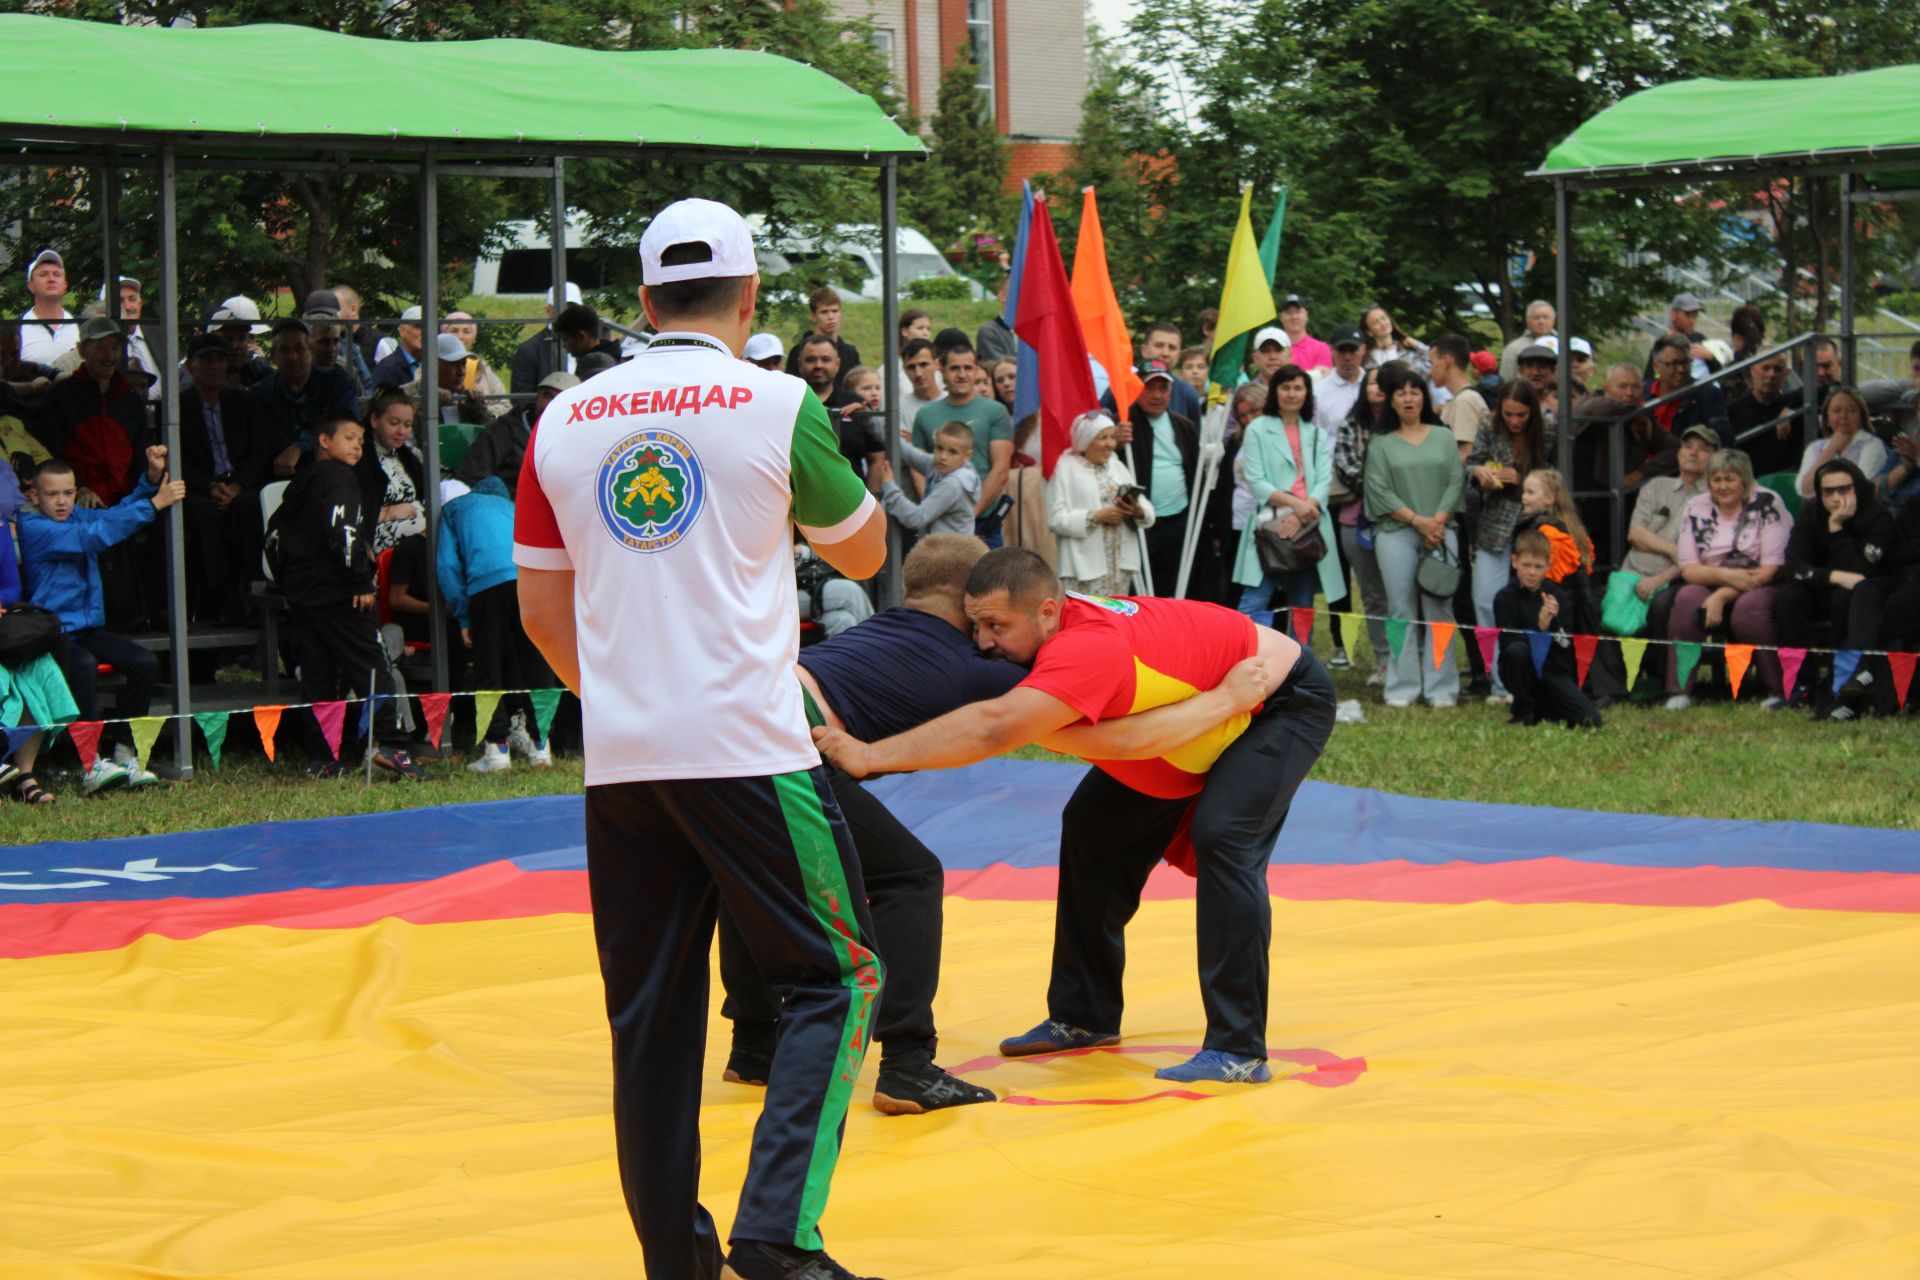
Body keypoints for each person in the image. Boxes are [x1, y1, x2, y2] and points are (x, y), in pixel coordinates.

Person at [511, 197, 889, 1280]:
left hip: (624, 756)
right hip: (748, 746)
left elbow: (543, 614)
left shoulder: (566, 418)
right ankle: (778, 1231)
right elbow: (862, 556)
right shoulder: (777, 402)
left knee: (652, 1017)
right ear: (751, 295)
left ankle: (676, 1260)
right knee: (842, 974)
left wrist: (629, 697)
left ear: (641, 301)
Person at [812, 546, 1335, 1087]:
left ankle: (1239, 1047)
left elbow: (1112, 739)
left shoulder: (1085, 650)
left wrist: (870, 755)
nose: (984, 641)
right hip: (1202, 711)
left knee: (1224, 837)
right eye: (975, 625)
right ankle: (1084, 1014)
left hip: (1274, 699)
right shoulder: (1038, 633)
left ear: (1045, 612)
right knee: (1093, 826)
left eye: (996, 625)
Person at [716, 534, 1021, 1113]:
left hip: (733, 725)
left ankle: (754, 1045)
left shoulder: (877, 630)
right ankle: (909, 1064)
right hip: (787, 742)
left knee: (749, 870)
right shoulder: (968, 666)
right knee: (909, 876)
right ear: (974, 600)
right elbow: (1063, 700)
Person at [268, 411, 425, 780]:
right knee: (373, 666)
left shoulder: (299, 484)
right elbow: (344, 529)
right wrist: (358, 580)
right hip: (342, 593)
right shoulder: (339, 478)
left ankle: (321, 758)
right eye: (349, 438)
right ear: (324, 441)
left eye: (360, 440)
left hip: (306, 597)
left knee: (318, 676)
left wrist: (291, 584)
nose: (357, 445)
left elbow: (272, 538)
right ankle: (390, 743)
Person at [19, 451, 183, 791]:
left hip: (88, 628)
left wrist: (149, 482)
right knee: (84, 665)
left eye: (68, 493)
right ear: (34, 496)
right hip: (52, 633)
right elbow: (95, 536)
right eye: (52, 495)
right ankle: (89, 763)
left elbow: (112, 517)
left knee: (143, 662)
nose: (63, 502)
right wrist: (154, 505)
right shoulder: (33, 526)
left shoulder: (76, 515)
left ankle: (125, 752)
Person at [1365, 361, 1463, 708]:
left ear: (1424, 396)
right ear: (1391, 401)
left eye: (1415, 391)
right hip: (1396, 534)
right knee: (1400, 609)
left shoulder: (1444, 436)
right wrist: (1418, 522)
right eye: (1401, 393)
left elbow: (1455, 481)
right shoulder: (1380, 444)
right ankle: (1402, 686)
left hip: (1441, 532)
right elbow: (1379, 491)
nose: (1408, 398)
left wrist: (1436, 522)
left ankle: (1442, 688)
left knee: (1440, 611)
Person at [438, 476, 554, 771]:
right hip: (528, 580)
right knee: (536, 664)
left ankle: (497, 751)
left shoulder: (455, 510)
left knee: (487, 666)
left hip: (486, 586)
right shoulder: (512, 506)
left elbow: (447, 566)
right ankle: (541, 748)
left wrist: (463, 615)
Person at [1664, 448, 1790, 710]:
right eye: (1717, 480)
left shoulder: (1767, 502)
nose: (1723, 486)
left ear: (1744, 480)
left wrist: (1721, 595)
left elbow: (1772, 567)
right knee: (1687, 599)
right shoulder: (1696, 506)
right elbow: (1688, 567)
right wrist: (1724, 577)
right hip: (1712, 577)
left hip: (1760, 580)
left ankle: (1777, 691)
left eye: (1730, 479)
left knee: (1749, 610)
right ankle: (1679, 691)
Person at [1776, 458, 1897, 719]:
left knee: (1846, 596)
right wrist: (1833, 576)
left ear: (1858, 488)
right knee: (1789, 598)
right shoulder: (1811, 512)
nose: (1835, 498)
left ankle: (1838, 680)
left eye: (1844, 489)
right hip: (1824, 585)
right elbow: (1793, 567)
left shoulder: (1879, 518)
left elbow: (1861, 573)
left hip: (1865, 597)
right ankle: (1802, 683)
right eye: (1828, 491)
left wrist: (1837, 530)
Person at [1231, 364, 1338, 633]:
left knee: (1302, 606)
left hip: (1309, 526)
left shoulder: (1316, 434)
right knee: (1254, 601)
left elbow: (1325, 480)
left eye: (1298, 387)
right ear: (1275, 392)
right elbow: (1255, 481)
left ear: (1307, 393)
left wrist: (1305, 510)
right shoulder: (1258, 428)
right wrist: (1295, 505)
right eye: (1285, 387)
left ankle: (1299, 667)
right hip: (1270, 525)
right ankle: (1244, 660)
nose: (1292, 394)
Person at [1467, 381, 1556, 701]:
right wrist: (1480, 473)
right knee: (1486, 600)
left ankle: (1530, 677)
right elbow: (1470, 463)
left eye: (1521, 415)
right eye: (1508, 414)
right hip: (1494, 524)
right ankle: (1497, 681)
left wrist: (1527, 480)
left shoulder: (1547, 431)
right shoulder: (1488, 427)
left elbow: (1557, 476)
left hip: (1532, 525)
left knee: (1529, 602)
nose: (1515, 421)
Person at [1613, 424, 1715, 701]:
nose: (1693, 453)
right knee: (1601, 607)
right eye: (1688, 446)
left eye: (1703, 449)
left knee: (1661, 606)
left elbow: (1699, 556)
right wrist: (1674, 549)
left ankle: (1657, 679)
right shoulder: (1657, 486)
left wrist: (1662, 577)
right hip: (1632, 572)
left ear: (1714, 457)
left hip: (1676, 578)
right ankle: (1612, 685)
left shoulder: (1713, 499)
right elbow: (1635, 533)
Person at [178, 333, 271, 619]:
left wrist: (239, 485)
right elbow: (177, 459)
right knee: (201, 512)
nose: (214, 366)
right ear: (191, 366)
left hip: (240, 483)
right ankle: (217, 599)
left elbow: (260, 452)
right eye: (206, 359)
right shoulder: (179, 406)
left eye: (220, 359)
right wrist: (209, 486)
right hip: (201, 486)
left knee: (251, 505)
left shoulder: (243, 400)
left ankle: (256, 595)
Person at [1494, 528, 1603, 729]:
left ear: (1548, 566)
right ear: (1514, 561)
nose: (1532, 572)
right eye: (1526, 565)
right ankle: (1523, 711)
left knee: (1590, 720)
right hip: (1520, 668)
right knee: (1517, 652)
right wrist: (1539, 630)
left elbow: (1565, 646)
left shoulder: (1558, 596)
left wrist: (1552, 625)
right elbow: (1508, 643)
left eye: (1538, 566)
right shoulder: (1504, 597)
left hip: (1553, 670)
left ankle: (1544, 707)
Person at [39, 316, 152, 506]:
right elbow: (53, 452)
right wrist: (79, 488)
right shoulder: (61, 395)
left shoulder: (130, 399)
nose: (110, 356)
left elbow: (139, 454)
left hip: (126, 498)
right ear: (83, 351)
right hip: (77, 499)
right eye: (101, 348)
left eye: (115, 348)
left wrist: (140, 493)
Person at [911, 344, 1014, 545]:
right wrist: (932, 509)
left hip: (983, 522)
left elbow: (1000, 471)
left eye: (968, 368)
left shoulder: (996, 412)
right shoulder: (925, 414)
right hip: (937, 524)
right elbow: (918, 468)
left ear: (976, 370)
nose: (962, 374)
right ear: (941, 369)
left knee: (986, 577)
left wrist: (967, 516)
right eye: (954, 368)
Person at [1048, 410, 1152, 596]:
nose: (1110, 444)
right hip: (1083, 566)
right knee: (1086, 618)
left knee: (1116, 616)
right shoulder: (1066, 467)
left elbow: (1146, 509)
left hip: (1119, 565)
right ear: (1085, 440)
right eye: (1102, 438)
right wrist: (1095, 516)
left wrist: (1137, 510)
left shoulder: (1117, 466)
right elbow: (1055, 518)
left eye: (1113, 437)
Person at [1329, 368, 1390, 678]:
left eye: (1384, 382)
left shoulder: (1402, 427)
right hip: (1356, 521)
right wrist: (1386, 485)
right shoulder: (1351, 425)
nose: (1377, 387)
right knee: (1374, 595)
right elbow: (1348, 469)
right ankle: (1383, 661)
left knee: (1401, 595)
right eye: (1372, 381)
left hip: (1397, 523)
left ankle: (1409, 659)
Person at [1120, 361, 1198, 595]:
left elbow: (1196, 472)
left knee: (1173, 586)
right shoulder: (1123, 423)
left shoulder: (1184, 426)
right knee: (1138, 589)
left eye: (1163, 388)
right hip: (1137, 523)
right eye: (1149, 387)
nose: (1157, 395)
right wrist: (1115, 442)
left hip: (1178, 519)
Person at [250, 318, 360, 469]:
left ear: (311, 350)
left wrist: (301, 447)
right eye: (285, 350)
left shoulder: (337, 383)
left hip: (329, 469)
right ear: (273, 356)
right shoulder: (261, 394)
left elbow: (346, 430)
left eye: (299, 348)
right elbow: (263, 443)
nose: (293, 357)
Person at [455, 370, 579, 498]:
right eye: (547, 395)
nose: (550, 404)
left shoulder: (581, 438)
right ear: (537, 397)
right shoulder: (504, 430)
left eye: (561, 398)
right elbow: (472, 477)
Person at [872, 421, 979, 537]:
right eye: (939, 448)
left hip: (948, 552)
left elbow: (916, 518)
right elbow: (905, 451)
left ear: (967, 456)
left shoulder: (954, 484)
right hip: (939, 549)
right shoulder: (941, 466)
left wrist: (889, 485)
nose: (943, 456)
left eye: (952, 452)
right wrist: (871, 416)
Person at [356, 386, 427, 554]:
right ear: (374, 420)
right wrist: (389, 513)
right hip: (376, 533)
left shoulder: (407, 457)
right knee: (434, 532)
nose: (401, 431)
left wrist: (413, 509)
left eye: (408, 425)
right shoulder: (360, 459)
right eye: (394, 423)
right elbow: (358, 512)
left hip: (413, 522)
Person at [1795, 385, 1887, 501]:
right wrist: (1830, 450)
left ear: (1861, 417)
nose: (1843, 416)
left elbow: (1860, 487)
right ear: (1827, 419)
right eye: (1837, 411)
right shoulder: (1815, 448)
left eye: (1851, 411)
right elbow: (1805, 490)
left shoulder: (1873, 445)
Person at [1724, 346, 1803, 478]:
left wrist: (1791, 408)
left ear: (1786, 374)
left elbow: (1820, 393)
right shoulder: (1733, 410)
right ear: (1753, 370)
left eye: (1778, 369)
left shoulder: (1795, 407)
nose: (1771, 374)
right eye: (1765, 368)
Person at [1647, 333, 1731, 448]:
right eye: (1674, 363)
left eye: (1686, 362)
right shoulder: (1642, 394)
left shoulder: (1708, 395)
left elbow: (1723, 438)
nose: (1681, 369)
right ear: (1656, 366)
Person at [507, 282, 582, 395]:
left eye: (572, 308)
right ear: (548, 310)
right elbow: (521, 397)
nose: (567, 313)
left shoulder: (587, 344)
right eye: (561, 308)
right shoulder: (529, 350)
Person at [407, 331, 492, 426]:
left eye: (464, 364)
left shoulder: (466, 398)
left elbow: (491, 436)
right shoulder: (408, 395)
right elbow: (409, 435)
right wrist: (429, 406)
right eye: (454, 364)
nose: (461, 372)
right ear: (434, 366)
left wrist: (478, 409)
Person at [784, 286, 861, 392]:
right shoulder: (799, 351)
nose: (831, 317)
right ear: (813, 316)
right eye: (824, 312)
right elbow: (790, 388)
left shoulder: (850, 352)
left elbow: (857, 386)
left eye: (835, 311)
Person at [1432, 335, 1488, 460]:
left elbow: (1465, 453)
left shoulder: (1465, 400)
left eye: (1432, 363)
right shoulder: (1459, 399)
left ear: (1446, 361)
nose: (1431, 370)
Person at [18, 248, 77, 366]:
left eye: (57, 274)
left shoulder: (80, 325)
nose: (51, 279)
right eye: (43, 274)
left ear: (65, 285)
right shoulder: (18, 328)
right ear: (31, 285)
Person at [1311, 325, 1368, 438]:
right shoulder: (1318, 392)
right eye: (1341, 351)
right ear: (1331, 350)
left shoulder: (1375, 386)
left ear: (1363, 350)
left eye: (1353, 350)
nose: (1347, 357)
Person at [206, 297, 275, 388]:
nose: (235, 346)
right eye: (228, 338)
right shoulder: (201, 381)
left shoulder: (259, 371)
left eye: (242, 338)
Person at [1359, 304, 1429, 376]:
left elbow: (1431, 366)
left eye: (1384, 318)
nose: (1383, 323)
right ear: (1368, 331)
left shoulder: (1406, 351)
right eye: (1376, 322)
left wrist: (1417, 344)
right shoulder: (1366, 358)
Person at [367, 305, 426, 388]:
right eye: (418, 327)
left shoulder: (435, 366)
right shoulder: (387, 369)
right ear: (402, 330)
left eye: (429, 327)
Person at [1499, 300, 1557, 381]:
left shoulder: (1564, 345)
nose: (1541, 321)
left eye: (1545, 317)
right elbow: (1507, 380)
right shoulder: (1513, 349)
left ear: (1553, 321)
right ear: (1528, 321)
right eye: (1536, 318)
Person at [1277, 294, 1331, 372]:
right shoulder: (1276, 349)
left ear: (1306, 315)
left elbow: (1323, 377)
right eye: (1289, 313)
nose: (1294, 317)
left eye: (1298, 312)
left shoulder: (1321, 348)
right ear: (1281, 317)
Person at [897, 337, 942, 426]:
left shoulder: (954, 402)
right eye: (911, 367)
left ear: (937, 364)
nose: (918, 374)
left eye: (923, 365)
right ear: (904, 370)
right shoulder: (898, 409)